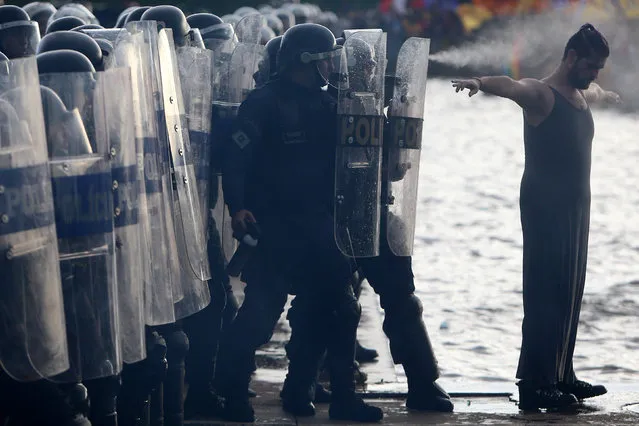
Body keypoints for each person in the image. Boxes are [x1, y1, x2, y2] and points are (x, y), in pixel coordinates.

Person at [215, 23, 383, 423]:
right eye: (326, 59)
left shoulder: (331, 104)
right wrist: (237, 207)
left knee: (339, 308)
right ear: (307, 60)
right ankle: (232, 392)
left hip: (321, 225)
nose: (331, 66)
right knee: (260, 314)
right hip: (275, 228)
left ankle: (329, 395)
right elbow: (235, 161)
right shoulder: (264, 103)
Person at [452, 23, 619, 411]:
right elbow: (512, 85)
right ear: (572, 57)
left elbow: (593, 91)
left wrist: (604, 93)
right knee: (545, 291)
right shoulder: (542, 95)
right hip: (546, 205)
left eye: (600, 69)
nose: (595, 74)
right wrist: (479, 82)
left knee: (570, 289)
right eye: (592, 66)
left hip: (577, 207)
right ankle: (535, 384)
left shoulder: (580, 94)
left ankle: (562, 374)